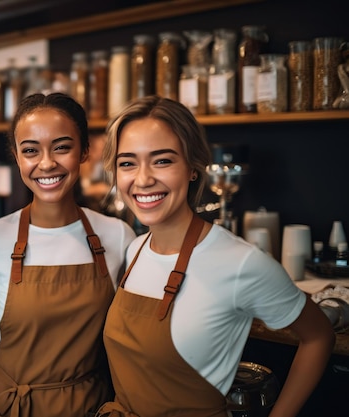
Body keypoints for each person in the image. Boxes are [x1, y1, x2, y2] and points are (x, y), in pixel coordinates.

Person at [96, 95, 335, 417]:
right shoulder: (135, 250)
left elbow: (319, 336)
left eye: (162, 160)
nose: (142, 179)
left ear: (193, 168)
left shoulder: (239, 262)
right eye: (127, 163)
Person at [0, 92, 136, 417]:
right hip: (11, 405)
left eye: (61, 147)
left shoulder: (118, 236)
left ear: (84, 151)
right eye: (31, 150)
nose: (46, 163)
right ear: (16, 157)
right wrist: (0, 338)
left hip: (91, 403)